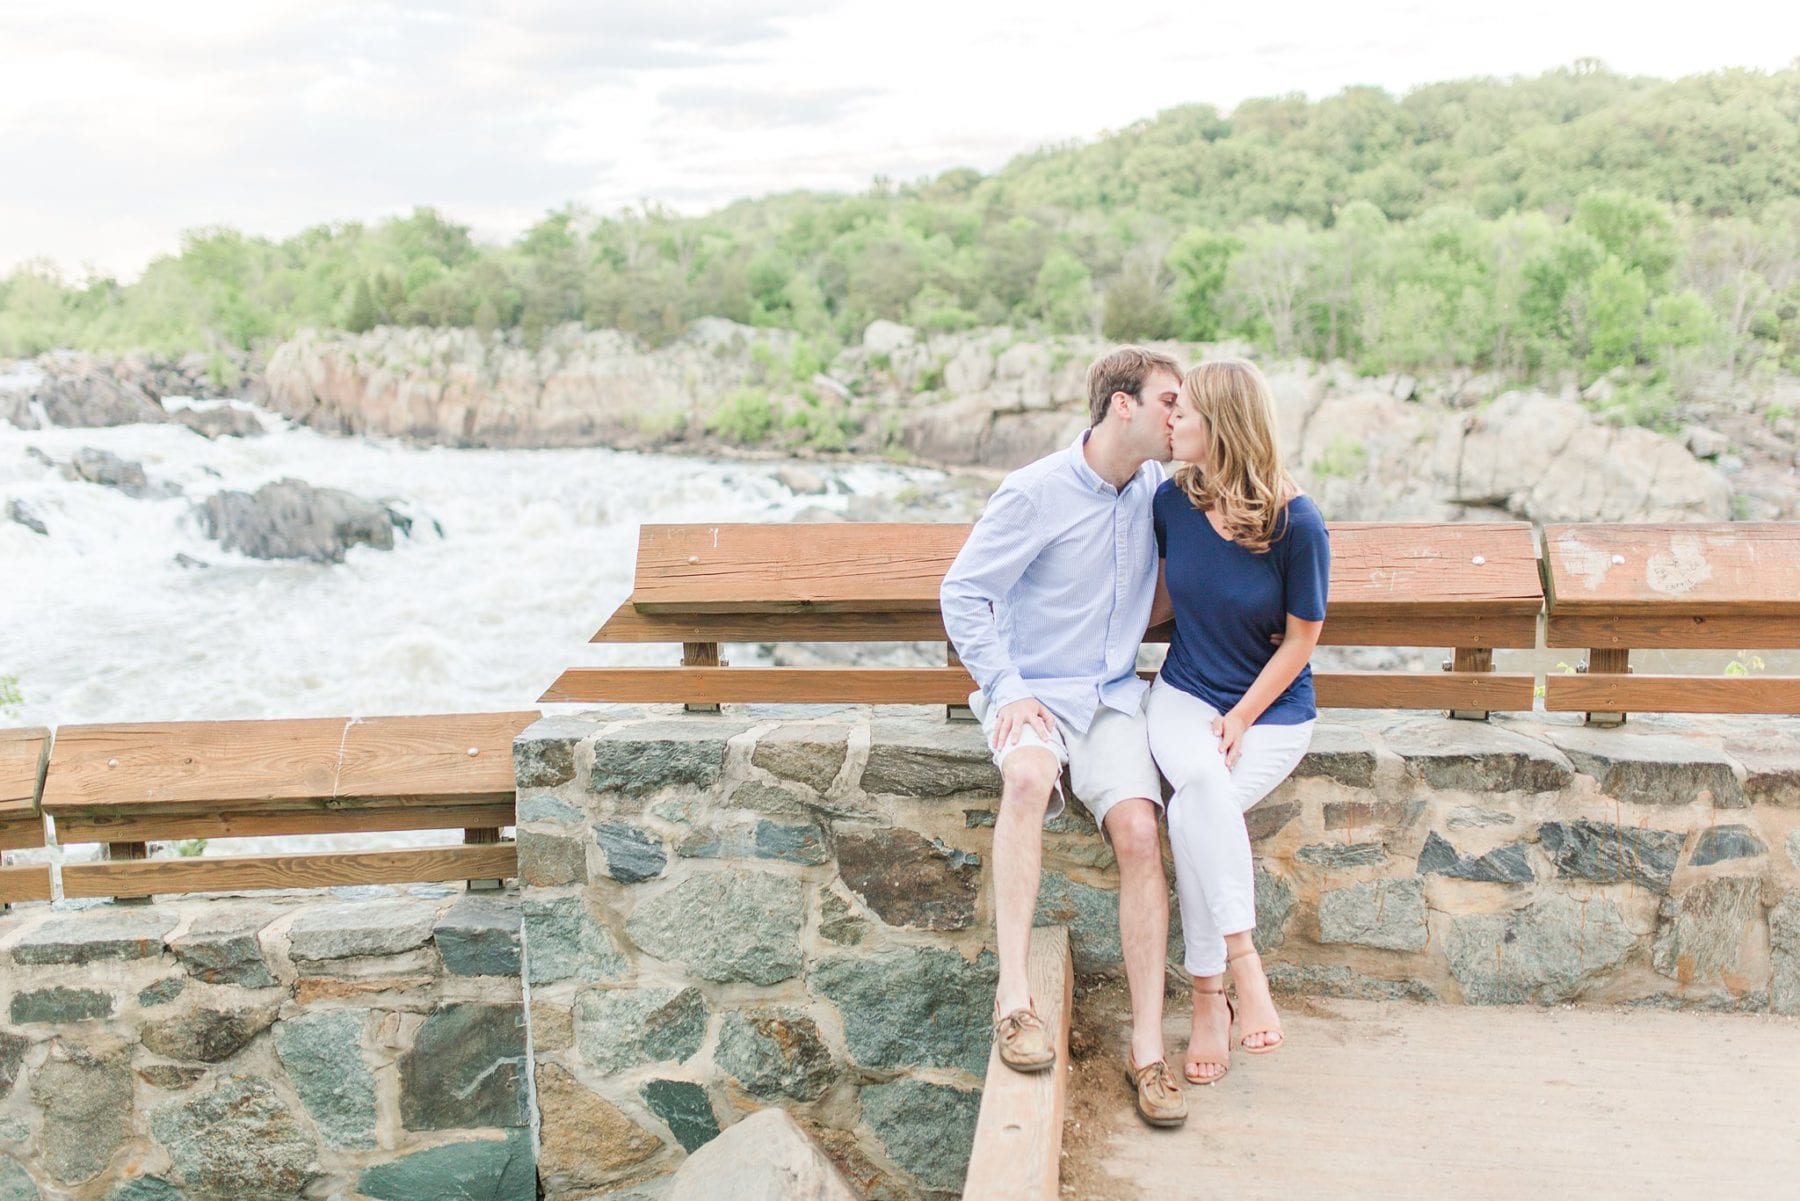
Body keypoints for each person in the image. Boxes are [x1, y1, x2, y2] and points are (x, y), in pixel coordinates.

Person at [940, 345, 1188, 1128]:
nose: (1178, 417)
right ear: (1123, 405)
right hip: (1035, 692)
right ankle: (1015, 1000)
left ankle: (1148, 1051)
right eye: (1168, 402)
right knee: (1024, 778)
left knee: (1142, 833)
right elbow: (965, 590)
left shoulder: (1156, 489)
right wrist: (1007, 688)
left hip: (1113, 696)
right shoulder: (1035, 491)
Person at [1146, 358, 1329, 1086]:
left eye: (1182, 411)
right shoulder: (1170, 501)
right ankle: (1244, 963)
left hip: (1273, 712)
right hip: (1184, 695)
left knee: (1195, 808)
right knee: (1201, 790)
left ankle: (1205, 996)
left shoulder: (1295, 522)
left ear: (1219, 425)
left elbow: (1302, 638)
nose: (1171, 421)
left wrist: (1245, 715)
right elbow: (1154, 600)